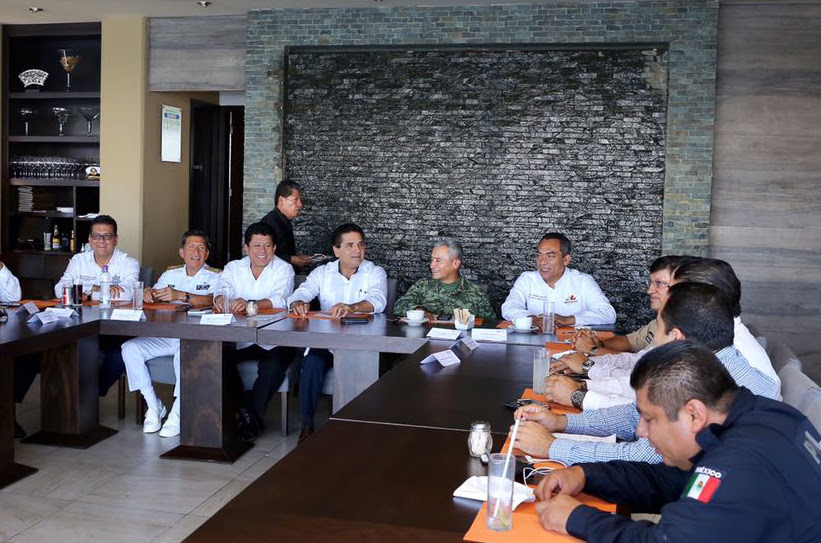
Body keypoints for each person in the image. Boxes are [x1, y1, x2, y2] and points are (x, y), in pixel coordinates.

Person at [533, 340, 821, 542]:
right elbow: (673, 481)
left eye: (650, 418)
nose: (642, 431)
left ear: (694, 414)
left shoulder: (739, 461)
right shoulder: (763, 415)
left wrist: (576, 518)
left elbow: (668, 539)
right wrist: (586, 475)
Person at [514, 282, 781, 465]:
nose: (654, 342)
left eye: (659, 331)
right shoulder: (715, 361)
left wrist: (553, 447)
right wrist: (562, 422)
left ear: (676, 337)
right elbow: (636, 416)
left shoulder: (708, 382)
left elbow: (644, 455)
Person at [287, 223, 388, 441]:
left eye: (361, 244)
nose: (357, 250)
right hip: (327, 341)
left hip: (361, 342)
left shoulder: (374, 272)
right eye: (350, 245)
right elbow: (301, 293)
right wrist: (298, 303)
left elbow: (378, 300)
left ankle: (355, 431)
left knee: (366, 366)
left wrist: (353, 307)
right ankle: (307, 426)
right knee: (312, 361)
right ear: (336, 250)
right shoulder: (323, 273)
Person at [120, 230, 220, 437]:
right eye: (191, 247)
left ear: (207, 254)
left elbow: (214, 299)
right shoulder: (170, 274)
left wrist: (182, 295)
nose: (196, 252)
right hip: (167, 333)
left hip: (196, 337)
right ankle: (154, 406)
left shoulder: (216, 276)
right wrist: (149, 293)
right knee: (129, 348)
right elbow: (154, 295)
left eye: (201, 248)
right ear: (182, 252)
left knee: (183, 352)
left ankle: (177, 412)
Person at [216, 222, 295, 440]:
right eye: (257, 245)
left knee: (272, 367)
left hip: (276, 338)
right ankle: (247, 415)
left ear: (274, 248)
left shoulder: (284, 269)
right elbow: (221, 291)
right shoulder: (233, 268)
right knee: (218, 358)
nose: (263, 251)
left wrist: (250, 304)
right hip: (240, 338)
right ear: (246, 248)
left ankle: (250, 419)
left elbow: (281, 299)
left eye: (268, 246)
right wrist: (221, 299)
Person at [54, 214, 140, 396]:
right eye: (96, 236)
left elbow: (128, 293)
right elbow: (60, 289)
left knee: (118, 355)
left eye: (107, 236)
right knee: (59, 349)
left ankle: (92, 394)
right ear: (89, 239)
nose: (101, 241)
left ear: (116, 239)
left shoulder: (128, 263)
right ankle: (69, 396)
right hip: (79, 325)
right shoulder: (78, 260)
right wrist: (103, 290)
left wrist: (86, 293)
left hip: (115, 328)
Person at [672, 257, 778, 388]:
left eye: (676, 295)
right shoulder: (723, 340)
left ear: (707, 299)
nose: (668, 300)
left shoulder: (726, 357)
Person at [573, 255, 685, 356]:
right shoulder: (658, 321)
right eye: (650, 283)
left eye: (659, 283)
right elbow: (631, 341)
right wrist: (598, 343)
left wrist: (593, 350)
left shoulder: (683, 328)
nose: (649, 290)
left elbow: (640, 365)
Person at [501, 232, 615, 327]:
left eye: (550, 256)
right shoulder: (527, 279)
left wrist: (569, 320)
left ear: (566, 260)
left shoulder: (583, 281)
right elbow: (509, 307)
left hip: (572, 343)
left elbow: (608, 314)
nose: (542, 262)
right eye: (539, 255)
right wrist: (532, 319)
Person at [392, 238, 495, 320]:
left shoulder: (476, 292)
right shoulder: (422, 286)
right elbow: (399, 306)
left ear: (455, 263)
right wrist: (418, 310)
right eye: (432, 260)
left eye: (438, 260)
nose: (432, 265)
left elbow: (490, 324)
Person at [260, 180, 313, 269]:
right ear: (281, 200)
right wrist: (292, 259)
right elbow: (263, 252)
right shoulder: (269, 222)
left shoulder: (284, 220)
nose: (300, 204)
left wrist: (296, 258)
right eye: (295, 200)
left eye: (300, 200)